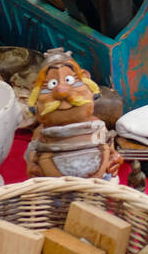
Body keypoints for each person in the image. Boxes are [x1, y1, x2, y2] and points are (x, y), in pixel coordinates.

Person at [24, 49, 121, 180]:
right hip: (57, 188)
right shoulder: (41, 133)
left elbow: (109, 145)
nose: (62, 92)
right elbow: (33, 154)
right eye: (52, 84)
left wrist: (114, 157)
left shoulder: (97, 125)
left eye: (69, 80)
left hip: (99, 182)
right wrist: (33, 165)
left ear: (86, 79)